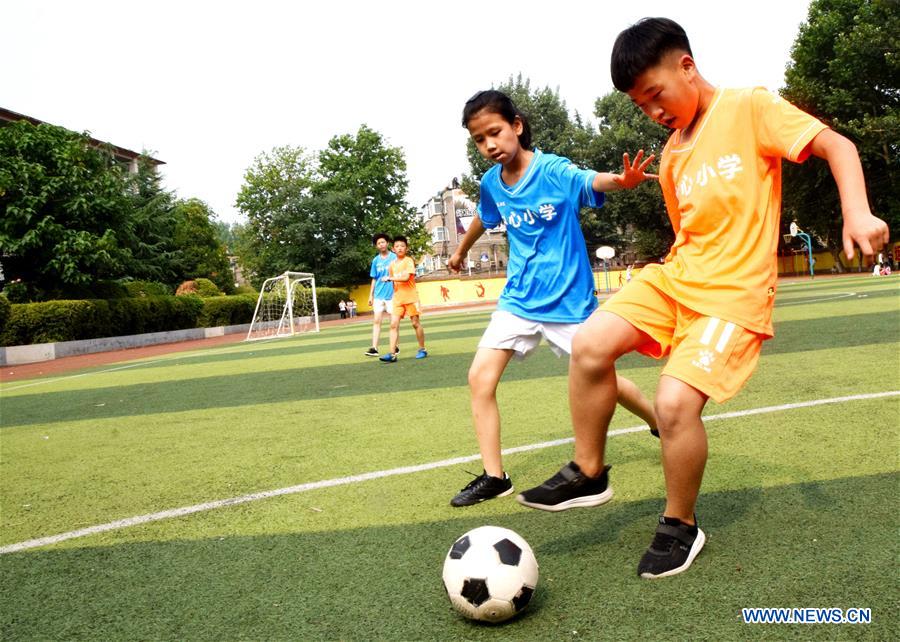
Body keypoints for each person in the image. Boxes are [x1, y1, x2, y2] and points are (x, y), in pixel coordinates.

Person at [517, 18, 889, 579]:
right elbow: (689, 232)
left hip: (732, 295)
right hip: (678, 278)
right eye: (640, 106)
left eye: (655, 95)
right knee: (589, 344)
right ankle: (590, 470)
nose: (653, 112)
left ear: (686, 66)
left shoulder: (749, 108)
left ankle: (680, 525)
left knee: (672, 404)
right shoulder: (671, 156)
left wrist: (856, 211)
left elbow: (837, 145)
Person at [447, 89, 660, 508]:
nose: (489, 144)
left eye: (495, 132)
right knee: (479, 378)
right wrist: (459, 250)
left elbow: (589, 180)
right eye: (479, 139)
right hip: (518, 300)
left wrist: (621, 181)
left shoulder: (552, 170)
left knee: (606, 383)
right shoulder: (491, 183)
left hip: (568, 303)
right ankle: (495, 476)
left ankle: (658, 420)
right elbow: (484, 217)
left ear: (517, 126)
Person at [379, 236, 427, 362]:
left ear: (406, 248)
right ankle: (392, 354)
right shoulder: (392, 265)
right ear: (393, 249)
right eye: (397, 246)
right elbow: (392, 281)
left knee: (415, 323)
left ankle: (422, 349)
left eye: (402, 246)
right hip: (398, 299)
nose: (400, 248)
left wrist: (390, 278)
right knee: (393, 325)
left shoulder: (408, 261)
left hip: (411, 297)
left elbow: (405, 278)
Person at [364, 233, 398, 357]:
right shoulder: (375, 260)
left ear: (387, 243)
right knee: (376, 320)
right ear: (376, 246)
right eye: (378, 243)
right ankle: (374, 348)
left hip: (392, 294)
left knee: (393, 322)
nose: (381, 244)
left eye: (383, 242)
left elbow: (399, 274)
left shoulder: (394, 257)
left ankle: (395, 346)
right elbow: (374, 279)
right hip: (378, 295)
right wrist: (370, 295)